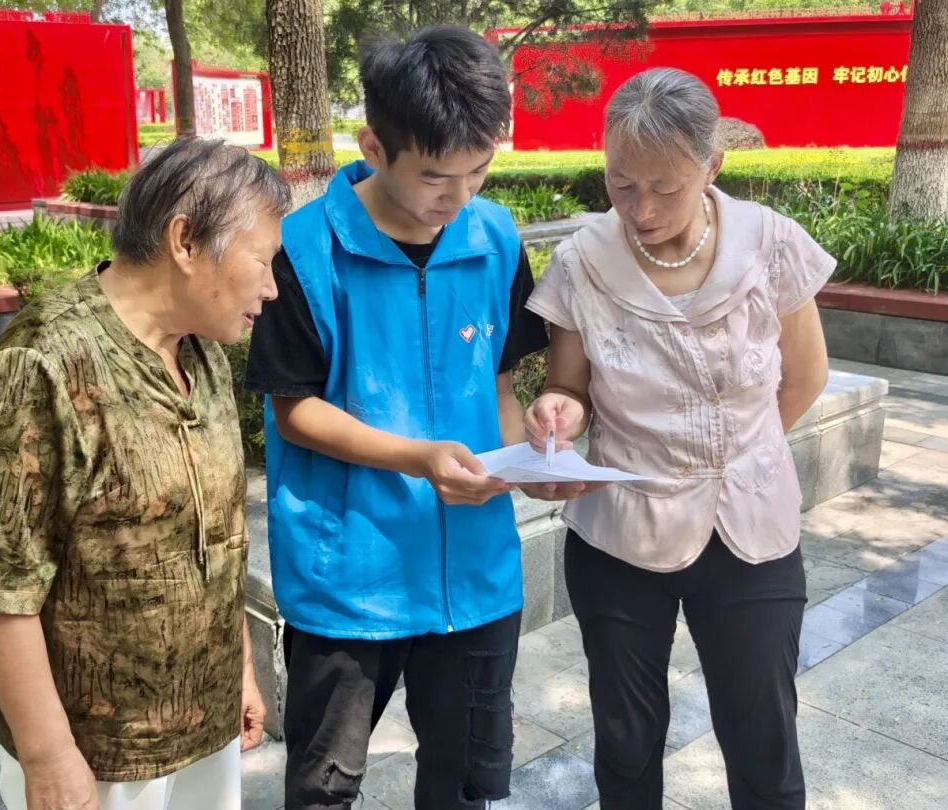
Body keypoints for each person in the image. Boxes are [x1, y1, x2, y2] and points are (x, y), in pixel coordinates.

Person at [245, 25, 549, 810]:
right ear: (374, 148)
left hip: (476, 577)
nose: (460, 197)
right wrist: (418, 458)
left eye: (480, 170)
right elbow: (294, 410)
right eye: (437, 176)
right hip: (351, 577)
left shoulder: (494, 238)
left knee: (464, 783)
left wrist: (533, 464)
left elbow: (501, 384)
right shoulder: (304, 250)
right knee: (324, 789)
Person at [0, 137, 290, 810]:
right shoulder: (44, 363)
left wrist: (241, 672)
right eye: (263, 261)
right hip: (96, 751)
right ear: (185, 242)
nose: (272, 288)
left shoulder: (200, 352)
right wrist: (47, 755)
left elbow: (219, 538)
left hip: (204, 723)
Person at [523, 67, 834, 809]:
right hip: (621, 533)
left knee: (763, 740)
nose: (641, 208)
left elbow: (805, 377)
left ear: (711, 165)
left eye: (665, 188)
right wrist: (557, 415)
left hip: (751, 531)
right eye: (621, 184)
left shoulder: (768, 243)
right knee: (626, 744)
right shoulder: (583, 261)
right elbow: (570, 390)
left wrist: (737, 460)